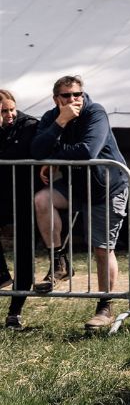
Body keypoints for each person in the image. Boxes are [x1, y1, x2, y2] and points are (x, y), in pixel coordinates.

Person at [30, 76, 130, 330]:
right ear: (56, 99)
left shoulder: (95, 112)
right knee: (42, 199)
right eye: (67, 96)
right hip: (76, 186)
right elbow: (36, 150)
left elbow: (88, 150)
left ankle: (105, 306)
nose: (74, 100)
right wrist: (60, 122)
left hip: (107, 187)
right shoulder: (51, 116)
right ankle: (59, 261)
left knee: (101, 248)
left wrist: (54, 156)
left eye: (78, 94)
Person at [1, 89, 38, 329]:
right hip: (1, 196)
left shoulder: (28, 124)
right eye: (4, 111)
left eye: (12, 109)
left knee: (24, 252)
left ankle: (16, 311)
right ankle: (2, 276)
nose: (10, 114)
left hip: (25, 196)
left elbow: (22, 152)